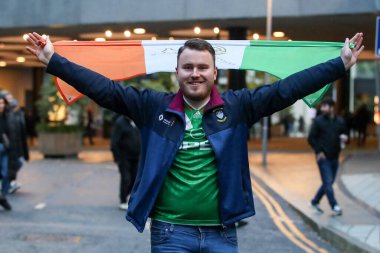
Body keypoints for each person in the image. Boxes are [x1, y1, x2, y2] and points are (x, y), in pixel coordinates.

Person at [26, 32, 364, 252]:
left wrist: (340, 64)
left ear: (215, 73)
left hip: (221, 234)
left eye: (203, 67)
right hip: (170, 234)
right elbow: (104, 89)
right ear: (177, 72)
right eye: (187, 67)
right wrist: (55, 62)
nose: (195, 73)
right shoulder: (152, 108)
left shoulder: (237, 108)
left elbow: (286, 89)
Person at [308, 98, 348, 216]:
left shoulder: (340, 121)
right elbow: (311, 138)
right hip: (323, 158)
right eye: (322, 106)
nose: (322, 108)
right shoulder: (318, 121)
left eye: (325, 106)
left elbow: (346, 134)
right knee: (328, 182)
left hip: (335, 157)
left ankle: (315, 201)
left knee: (328, 182)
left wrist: (345, 138)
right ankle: (334, 205)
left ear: (331, 108)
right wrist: (319, 151)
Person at [110, 115, 141, 210]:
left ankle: (128, 196)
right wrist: (117, 158)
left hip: (136, 156)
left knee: (135, 178)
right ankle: (123, 200)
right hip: (124, 157)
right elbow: (114, 142)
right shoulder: (121, 122)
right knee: (126, 178)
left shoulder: (138, 120)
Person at [0, 95, 11, 210]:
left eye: (2, 103)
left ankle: (3, 196)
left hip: (6, 148)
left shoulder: (8, 115)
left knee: (6, 174)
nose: (1, 106)